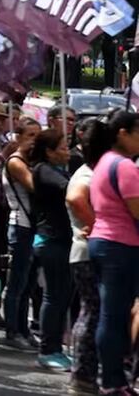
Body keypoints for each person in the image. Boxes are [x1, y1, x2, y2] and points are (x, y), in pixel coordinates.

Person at [85, 110, 139, 394]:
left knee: (111, 314)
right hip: (120, 245)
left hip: (104, 241)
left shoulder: (104, 162)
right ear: (123, 133)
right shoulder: (124, 165)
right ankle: (113, 381)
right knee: (114, 315)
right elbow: (137, 209)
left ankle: (112, 378)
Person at [28, 128, 73, 371]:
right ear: (49, 151)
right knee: (54, 296)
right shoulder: (43, 170)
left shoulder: (58, 169)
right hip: (51, 240)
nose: (67, 151)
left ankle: (56, 346)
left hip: (63, 240)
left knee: (62, 295)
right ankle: (48, 349)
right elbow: (68, 189)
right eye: (63, 147)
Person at [65, 118, 102, 394]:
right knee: (91, 313)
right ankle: (82, 374)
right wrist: (101, 228)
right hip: (87, 251)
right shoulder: (87, 174)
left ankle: (86, 373)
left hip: (87, 251)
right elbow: (76, 200)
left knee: (91, 312)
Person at [1, 117, 40, 350]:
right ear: (19, 138)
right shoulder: (16, 162)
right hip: (20, 225)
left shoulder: (32, 160)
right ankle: (12, 329)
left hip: (33, 226)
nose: (35, 141)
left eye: (38, 136)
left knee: (29, 281)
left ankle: (24, 329)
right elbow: (35, 185)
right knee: (17, 281)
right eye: (30, 136)